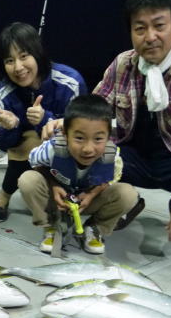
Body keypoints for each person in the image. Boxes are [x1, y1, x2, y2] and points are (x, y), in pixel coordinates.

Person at [93, 0, 171, 241]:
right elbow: (93, 112)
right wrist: (63, 123)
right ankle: (126, 203)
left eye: (159, 26)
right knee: (85, 152)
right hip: (131, 161)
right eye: (140, 28)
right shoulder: (123, 64)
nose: (150, 37)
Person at [0, 22, 87, 223]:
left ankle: (71, 196)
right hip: (29, 155)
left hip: (71, 152)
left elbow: (83, 132)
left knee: (44, 139)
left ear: (37, 53)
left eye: (24, 56)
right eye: (9, 60)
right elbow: (5, 146)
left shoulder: (70, 81)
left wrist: (45, 120)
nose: (18, 67)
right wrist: (10, 127)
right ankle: (3, 196)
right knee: (28, 140)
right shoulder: (5, 92)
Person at [18, 94, 139, 255]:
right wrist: (53, 186)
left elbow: (111, 179)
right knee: (28, 180)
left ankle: (95, 228)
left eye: (98, 139)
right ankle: (50, 226)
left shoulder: (112, 157)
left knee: (128, 194)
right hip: (57, 200)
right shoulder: (52, 148)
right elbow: (35, 163)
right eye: (80, 138)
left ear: (108, 137)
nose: (88, 148)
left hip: (87, 202)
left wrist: (90, 195)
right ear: (66, 135)